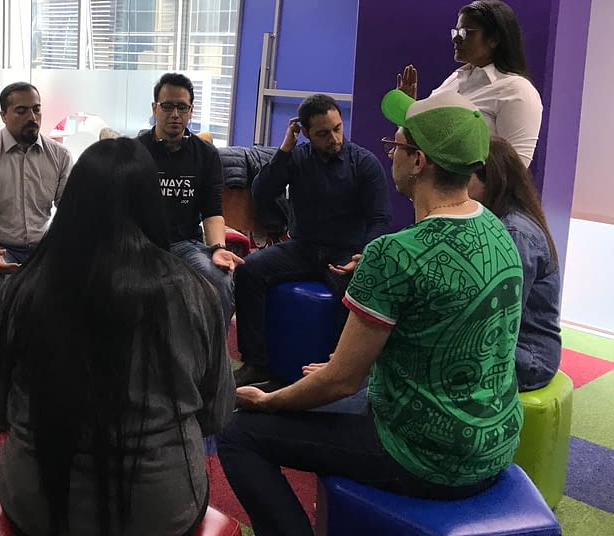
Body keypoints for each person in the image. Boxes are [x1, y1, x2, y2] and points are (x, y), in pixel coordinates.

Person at [218, 89, 524, 536]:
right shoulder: (499, 231)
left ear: (418, 161)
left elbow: (341, 382)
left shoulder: (393, 253)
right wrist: (343, 370)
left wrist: (269, 399)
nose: (390, 153)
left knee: (238, 433)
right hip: (495, 445)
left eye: (396, 145)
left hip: (425, 458)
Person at [0, 138, 234, 536]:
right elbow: (216, 416)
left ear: (72, 203)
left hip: (35, 503)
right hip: (161, 509)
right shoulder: (195, 293)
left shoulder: (23, 288)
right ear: (152, 204)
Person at [232, 94, 392, 387]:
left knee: (361, 288)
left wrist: (365, 255)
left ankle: (340, 368)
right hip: (303, 247)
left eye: (337, 128)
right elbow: (261, 193)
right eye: (323, 133)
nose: (334, 138)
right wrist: (284, 150)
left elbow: (380, 219)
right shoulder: (297, 158)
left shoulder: (364, 163)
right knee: (247, 272)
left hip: (345, 252)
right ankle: (256, 363)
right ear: (305, 132)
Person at [0, 82, 72, 345]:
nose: (32, 117)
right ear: (4, 115)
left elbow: (69, 212)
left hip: (38, 249)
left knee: (77, 281)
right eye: (21, 111)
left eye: (36, 109)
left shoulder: (60, 156)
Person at [137, 72, 243, 327]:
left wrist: (218, 249)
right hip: (142, 244)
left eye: (182, 107)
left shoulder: (206, 155)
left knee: (220, 279)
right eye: (167, 106)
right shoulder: (136, 151)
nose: (175, 114)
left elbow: (212, 212)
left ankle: (212, 349)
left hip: (185, 244)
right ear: (155, 108)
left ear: (191, 110)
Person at [396, 0, 543, 166]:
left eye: (466, 32)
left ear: (494, 39)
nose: (456, 39)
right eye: (456, 32)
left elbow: (514, 169)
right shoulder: (455, 79)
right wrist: (408, 113)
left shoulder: (517, 90)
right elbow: (425, 142)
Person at [469, 136, 562, 391]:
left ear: (490, 180)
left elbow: (500, 315)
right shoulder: (497, 222)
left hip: (528, 356)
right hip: (511, 346)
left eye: (466, 178)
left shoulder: (515, 233)